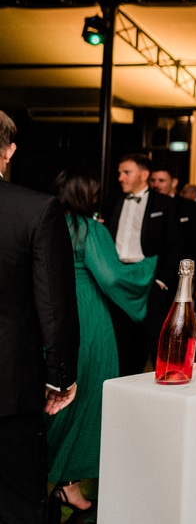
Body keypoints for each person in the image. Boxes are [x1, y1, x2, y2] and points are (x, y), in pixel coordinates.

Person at [47, 168, 155, 516]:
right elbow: (110, 275)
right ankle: (68, 482)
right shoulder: (89, 229)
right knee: (90, 393)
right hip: (87, 316)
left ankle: (57, 480)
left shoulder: (47, 223)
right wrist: (149, 268)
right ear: (85, 194)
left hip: (49, 314)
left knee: (55, 394)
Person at [0, 110, 79, 522]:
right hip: (9, 389)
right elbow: (54, 304)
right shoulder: (35, 209)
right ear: (9, 151)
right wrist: (61, 375)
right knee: (16, 503)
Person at [104, 153, 181, 376]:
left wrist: (161, 281)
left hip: (150, 281)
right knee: (123, 345)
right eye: (119, 173)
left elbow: (175, 246)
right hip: (119, 280)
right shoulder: (111, 202)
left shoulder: (165, 204)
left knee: (156, 344)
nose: (120, 177)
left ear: (144, 174)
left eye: (126, 172)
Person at [151, 166, 196, 320]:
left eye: (161, 180)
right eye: (153, 180)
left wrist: (193, 270)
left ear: (174, 182)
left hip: (183, 272)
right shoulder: (148, 206)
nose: (156, 184)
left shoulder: (188, 207)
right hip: (155, 272)